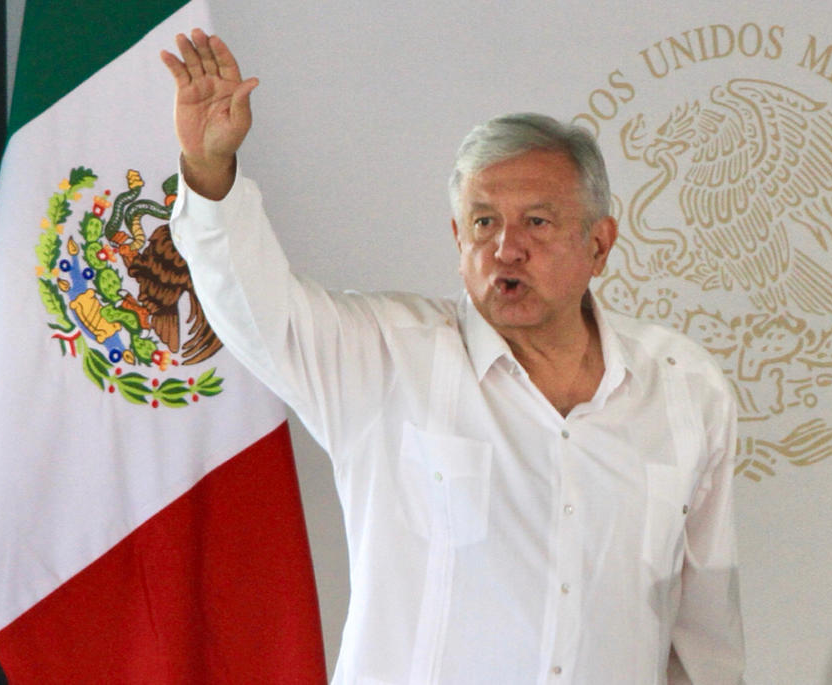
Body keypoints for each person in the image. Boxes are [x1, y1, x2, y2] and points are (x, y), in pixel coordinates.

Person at [161, 29, 744, 685]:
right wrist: (209, 172)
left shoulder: (684, 387)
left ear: (599, 244)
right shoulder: (384, 358)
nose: (506, 249)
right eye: (484, 222)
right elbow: (256, 310)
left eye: (538, 222)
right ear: (457, 237)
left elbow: (705, 636)